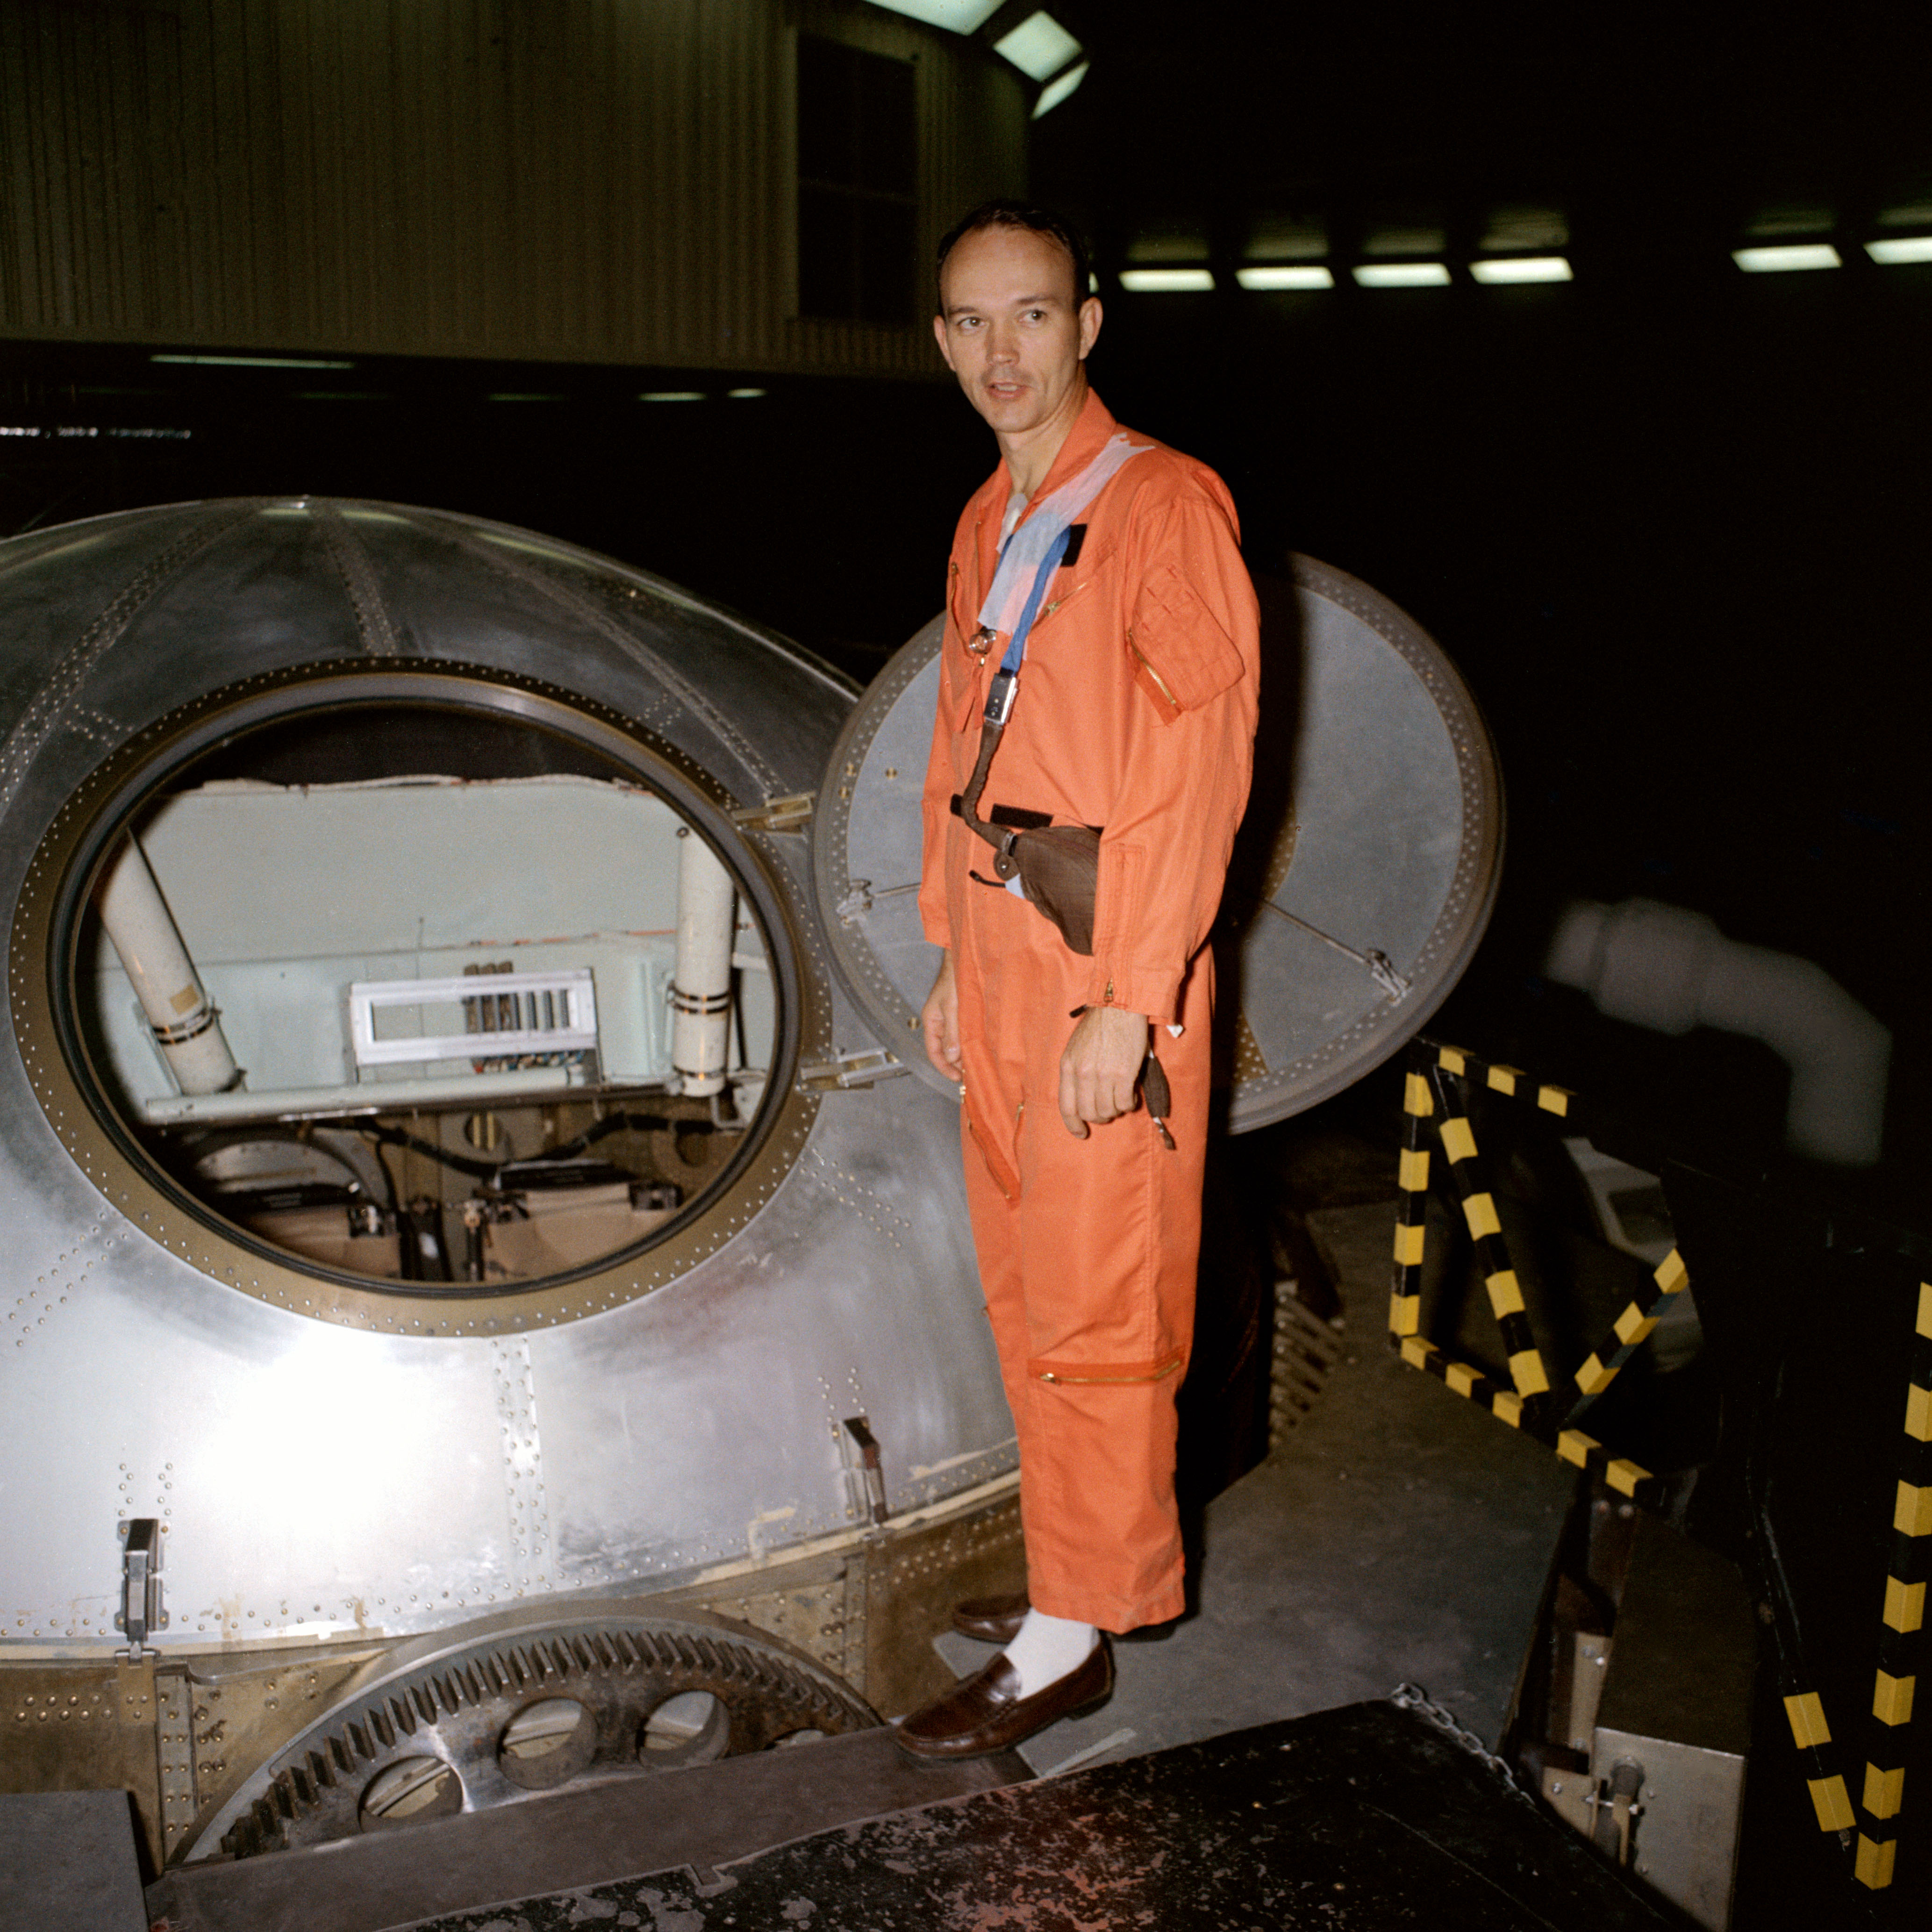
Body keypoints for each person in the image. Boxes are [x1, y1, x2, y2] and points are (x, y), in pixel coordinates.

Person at [896, 201, 1260, 1761]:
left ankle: (1078, 1635)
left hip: (1108, 956)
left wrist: (1131, 992)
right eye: (972, 324)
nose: (1002, 354)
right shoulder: (994, 513)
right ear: (940, 340)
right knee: (1025, 1287)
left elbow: (1200, 760)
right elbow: (952, 747)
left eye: (1031, 317)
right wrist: (941, 950)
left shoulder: (1165, 504)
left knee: (1102, 1299)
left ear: (1090, 322)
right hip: (999, 947)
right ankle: (1073, 1578)